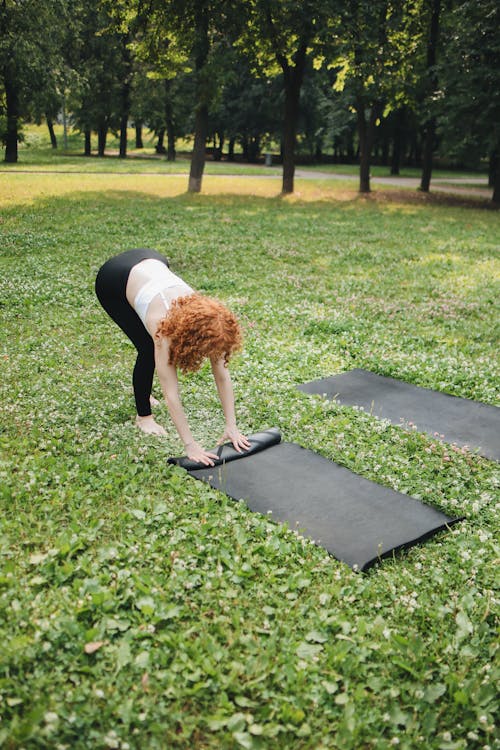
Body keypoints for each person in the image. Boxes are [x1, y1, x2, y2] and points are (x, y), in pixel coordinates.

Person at [95, 248, 250, 466]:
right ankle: (144, 417)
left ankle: (145, 401)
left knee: (152, 347)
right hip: (114, 280)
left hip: (153, 260)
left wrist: (231, 425)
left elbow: (222, 375)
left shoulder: (212, 323)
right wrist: (190, 445)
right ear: (192, 340)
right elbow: (171, 394)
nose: (212, 357)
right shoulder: (163, 328)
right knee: (147, 349)